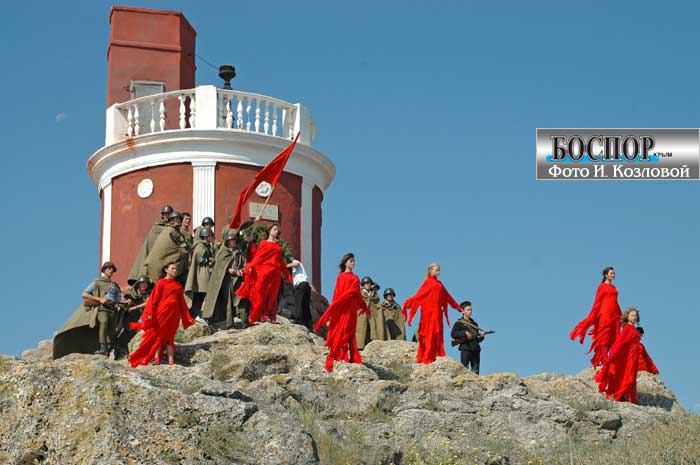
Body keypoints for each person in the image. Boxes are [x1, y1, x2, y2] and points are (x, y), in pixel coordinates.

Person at [128, 263, 196, 367]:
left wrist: (186, 317)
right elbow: (154, 300)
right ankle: (157, 358)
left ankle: (171, 360)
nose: (175, 271)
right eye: (172, 269)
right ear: (166, 270)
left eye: (176, 269)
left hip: (173, 315)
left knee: (170, 337)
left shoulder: (178, 285)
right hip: (162, 313)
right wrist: (150, 313)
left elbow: (182, 303)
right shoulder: (161, 283)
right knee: (158, 335)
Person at [52, 262, 122, 359]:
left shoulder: (115, 285)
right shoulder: (97, 282)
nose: (110, 270)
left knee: (112, 330)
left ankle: (109, 350)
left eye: (112, 269)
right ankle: (102, 346)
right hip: (102, 309)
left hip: (113, 310)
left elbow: (118, 298)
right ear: (104, 270)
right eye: (108, 268)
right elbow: (84, 294)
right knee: (104, 322)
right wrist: (100, 299)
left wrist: (123, 302)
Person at [314, 253, 371, 371]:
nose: (353, 263)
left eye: (354, 261)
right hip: (341, 307)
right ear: (345, 263)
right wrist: (333, 310)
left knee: (349, 332)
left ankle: (350, 356)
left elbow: (357, 295)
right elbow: (336, 294)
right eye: (351, 261)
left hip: (350, 309)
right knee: (340, 330)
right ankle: (340, 355)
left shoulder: (356, 278)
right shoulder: (340, 277)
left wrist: (363, 306)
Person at [594, 308, 659, 403]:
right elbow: (619, 343)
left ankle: (631, 399)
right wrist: (611, 357)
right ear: (627, 317)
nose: (634, 317)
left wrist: (652, 368)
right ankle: (618, 396)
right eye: (632, 315)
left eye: (635, 315)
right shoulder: (627, 328)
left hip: (633, 357)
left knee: (632, 378)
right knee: (629, 378)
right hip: (629, 357)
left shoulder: (633, 329)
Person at [403, 263, 461, 364]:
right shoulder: (427, 282)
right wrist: (409, 302)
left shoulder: (440, 284)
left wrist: (457, 307)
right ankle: (426, 356)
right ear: (431, 271)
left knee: (436, 333)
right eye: (437, 270)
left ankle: (434, 353)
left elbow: (448, 297)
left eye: (439, 270)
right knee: (428, 333)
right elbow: (419, 295)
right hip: (428, 313)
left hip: (437, 313)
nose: (439, 272)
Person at [236, 223, 292, 324]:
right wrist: (249, 266)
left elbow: (281, 262)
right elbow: (258, 257)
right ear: (269, 231)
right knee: (262, 294)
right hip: (264, 272)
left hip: (275, 274)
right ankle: (262, 315)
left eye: (277, 230)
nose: (276, 231)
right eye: (274, 229)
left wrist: (287, 275)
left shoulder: (278, 246)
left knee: (272, 296)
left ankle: (270, 315)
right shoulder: (263, 243)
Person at [202, 221, 254, 328]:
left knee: (242, 300)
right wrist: (227, 270)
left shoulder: (239, 253)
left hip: (238, 280)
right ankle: (229, 324)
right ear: (227, 242)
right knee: (228, 302)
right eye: (231, 241)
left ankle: (245, 322)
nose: (233, 242)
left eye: (234, 240)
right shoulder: (223, 253)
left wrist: (242, 271)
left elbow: (245, 264)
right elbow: (218, 268)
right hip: (227, 280)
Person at [570, 267, 622, 366]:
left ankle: (606, 358)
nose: (613, 275)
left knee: (613, 337)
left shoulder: (614, 287)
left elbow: (615, 302)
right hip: (605, 314)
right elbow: (597, 302)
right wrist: (594, 314)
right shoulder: (602, 287)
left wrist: (621, 314)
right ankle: (604, 360)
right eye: (611, 273)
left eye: (614, 273)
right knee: (604, 336)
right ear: (606, 275)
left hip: (615, 314)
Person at [128, 204, 173, 285]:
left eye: (169, 214)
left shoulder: (173, 228)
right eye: (165, 214)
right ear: (162, 215)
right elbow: (151, 244)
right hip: (154, 258)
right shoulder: (156, 228)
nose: (167, 216)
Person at [143, 211, 191, 285]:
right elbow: (176, 246)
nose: (177, 221)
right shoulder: (171, 230)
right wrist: (184, 251)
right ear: (172, 220)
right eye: (175, 219)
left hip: (165, 261)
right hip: (164, 260)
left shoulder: (173, 230)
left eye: (178, 219)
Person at [114, 276, 152, 359]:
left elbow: (148, 303)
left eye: (146, 283)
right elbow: (123, 299)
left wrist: (135, 307)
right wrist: (127, 301)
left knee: (132, 333)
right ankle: (116, 350)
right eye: (142, 283)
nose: (144, 285)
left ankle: (124, 351)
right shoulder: (131, 291)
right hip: (127, 315)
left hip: (138, 316)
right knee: (120, 331)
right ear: (138, 284)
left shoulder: (147, 294)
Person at [185, 227, 215, 318]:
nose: (212, 237)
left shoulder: (206, 246)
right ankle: (196, 315)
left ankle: (198, 315)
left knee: (201, 296)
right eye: (210, 236)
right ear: (205, 236)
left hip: (203, 273)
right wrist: (211, 261)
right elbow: (200, 259)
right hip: (200, 274)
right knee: (199, 295)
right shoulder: (200, 246)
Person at [451, 301, 486, 374]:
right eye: (468, 310)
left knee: (475, 371)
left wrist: (481, 337)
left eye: (471, 310)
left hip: (475, 349)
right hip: (465, 348)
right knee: (463, 370)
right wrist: (464, 333)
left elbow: (476, 339)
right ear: (463, 311)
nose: (470, 311)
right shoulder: (459, 322)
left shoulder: (475, 324)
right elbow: (453, 334)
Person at [356, 276, 387, 348]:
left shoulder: (374, 295)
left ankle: (371, 346)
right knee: (361, 329)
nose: (367, 284)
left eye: (369, 283)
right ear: (363, 284)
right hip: (361, 315)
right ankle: (359, 346)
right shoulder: (358, 293)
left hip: (372, 315)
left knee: (372, 329)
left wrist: (381, 307)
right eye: (366, 283)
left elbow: (377, 305)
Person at [287, 258, 312, 329]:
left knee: (299, 303)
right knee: (305, 306)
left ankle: (299, 320)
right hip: (306, 285)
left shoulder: (295, 261)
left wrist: (284, 265)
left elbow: (296, 263)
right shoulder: (296, 271)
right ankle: (308, 324)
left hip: (301, 285)